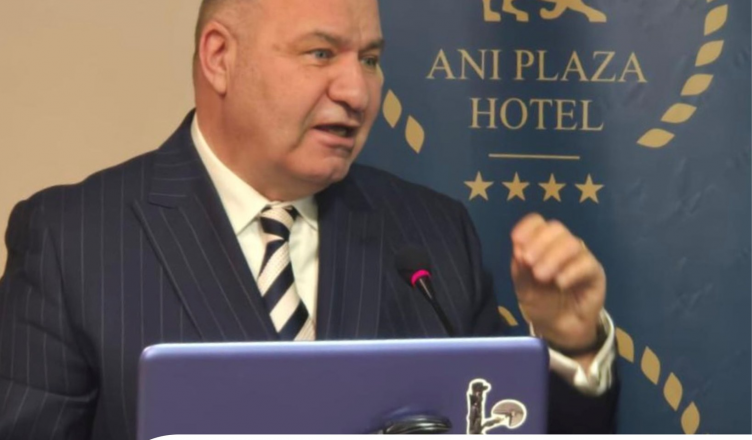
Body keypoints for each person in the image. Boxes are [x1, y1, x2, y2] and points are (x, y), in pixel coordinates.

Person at [0, 0, 618, 438]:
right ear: (219, 56)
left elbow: (511, 426)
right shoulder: (71, 240)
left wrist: (571, 347)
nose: (356, 92)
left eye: (370, 59)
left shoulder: (433, 235)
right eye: (321, 53)